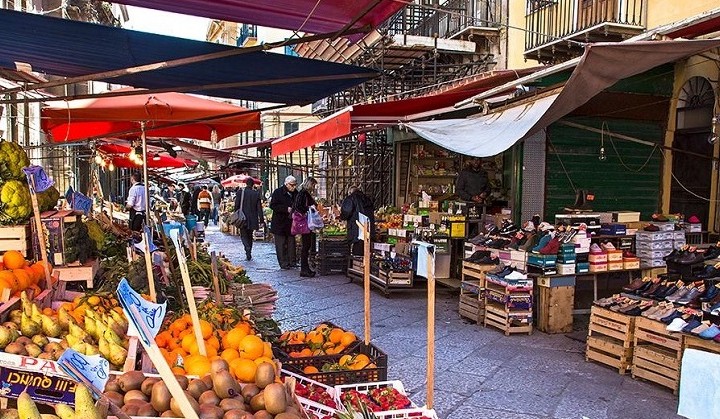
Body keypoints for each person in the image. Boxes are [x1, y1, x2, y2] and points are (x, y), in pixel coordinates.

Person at [270, 176, 298, 270]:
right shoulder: (278, 192)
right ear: (286, 184)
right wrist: (286, 209)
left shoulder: (295, 193)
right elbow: (273, 205)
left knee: (291, 243)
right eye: (292, 185)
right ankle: (283, 263)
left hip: (291, 222)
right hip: (280, 222)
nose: (293, 187)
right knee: (281, 244)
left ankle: (292, 261)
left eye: (295, 185)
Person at [293, 177, 318, 278]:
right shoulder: (303, 193)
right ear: (309, 184)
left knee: (307, 245)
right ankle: (304, 269)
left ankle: (305, 268)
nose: (314, 187)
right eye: (313, 185)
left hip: (306, 221)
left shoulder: (303, 193)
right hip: (305, 222)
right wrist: (309, 208)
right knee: (306, 245)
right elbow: (298, 206)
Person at [340, 186, 375, 256]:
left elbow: (346, 212)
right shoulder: (367, 199)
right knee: (365, 251)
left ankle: (357, 265)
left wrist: (341, 217)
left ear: (350, 192)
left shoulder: (350, 199)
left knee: (356, 253)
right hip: (368, 229)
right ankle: (365, 265)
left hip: (356, 229)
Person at [234, 178, 263, 260]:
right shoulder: (256, 193)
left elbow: (236, 205)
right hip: (253, 218)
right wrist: (261, 219)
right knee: (250, 235)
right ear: (253, 185)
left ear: (246, 184)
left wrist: (236, 214)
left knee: (243, 234)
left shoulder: (240, 192)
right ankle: (249, 249)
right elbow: (259, 208)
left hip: (243, 218)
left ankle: (247, 249)